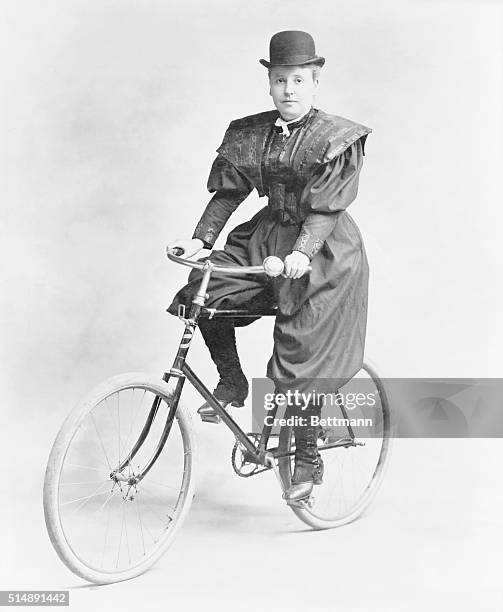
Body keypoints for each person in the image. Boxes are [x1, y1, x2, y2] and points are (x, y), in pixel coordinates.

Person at [167, 30, 371, 504]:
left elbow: (323, 211)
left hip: (324, 251)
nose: (289, 90)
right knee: (207, 289)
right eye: (280, 80)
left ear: (315, 82)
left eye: (298, 80)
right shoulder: (251, 132)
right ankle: (232, 380)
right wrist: (200, 239)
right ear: (270, 84)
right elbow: (229, 194)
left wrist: (302, 253)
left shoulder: (336, 137)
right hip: (267, 236)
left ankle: (305, 455)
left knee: (299, 351)